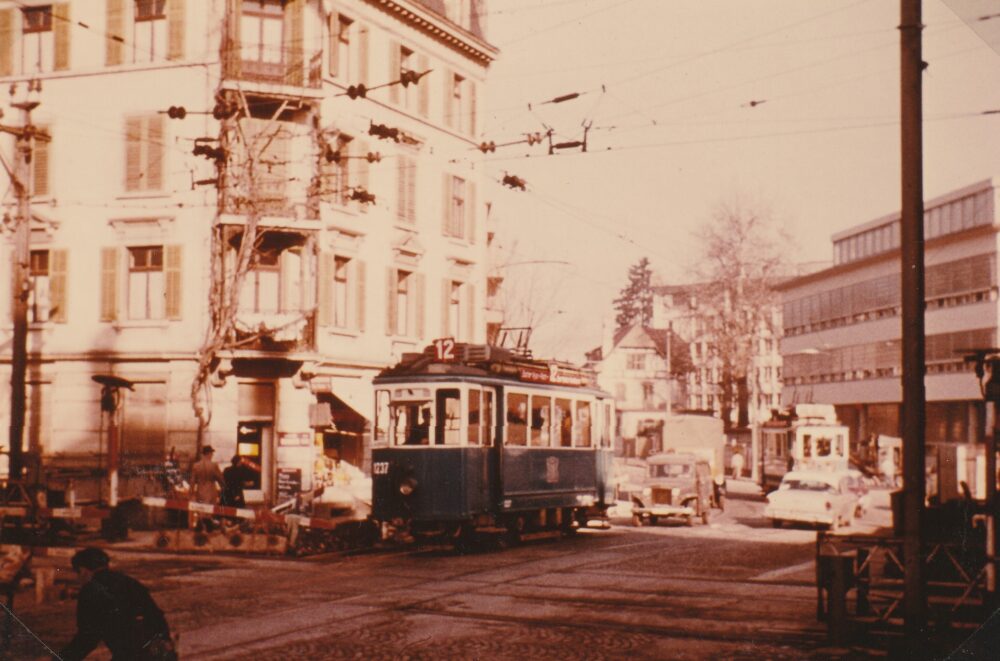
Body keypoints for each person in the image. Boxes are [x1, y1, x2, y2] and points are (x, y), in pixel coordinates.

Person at [56, 547, 176, 661]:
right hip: (159, 653)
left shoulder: (90, 590)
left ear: (83, 570)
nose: (78, 578)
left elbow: (87, 638)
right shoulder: (130, 582)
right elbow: (156, 616)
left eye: (77, 573)